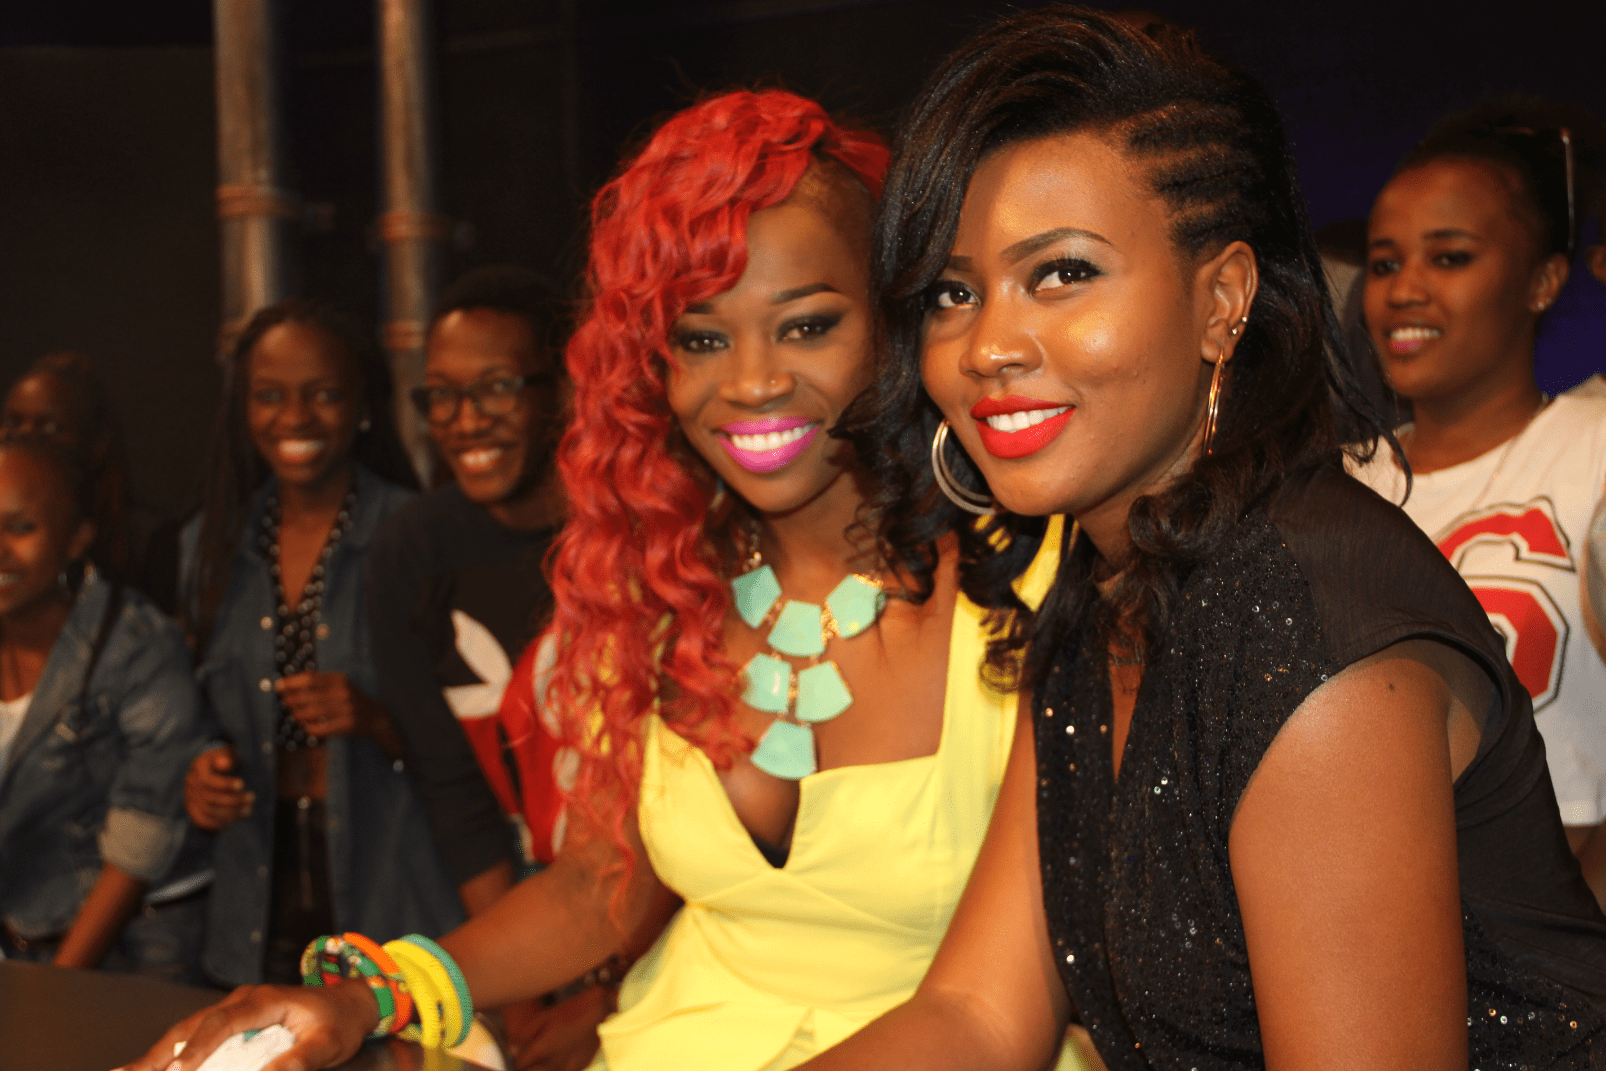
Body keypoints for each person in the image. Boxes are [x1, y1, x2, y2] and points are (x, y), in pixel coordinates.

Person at [124, 88, 1085, 1071]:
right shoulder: (663, 591)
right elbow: (597, 886)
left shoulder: (1042, 588)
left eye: (805, 327)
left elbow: (994, 1004)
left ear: (897, 319)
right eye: (701, 339)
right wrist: (375, 996)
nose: (749, 382)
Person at [782, 8, 1598, 1069]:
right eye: (951, 292)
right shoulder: (1106, 579)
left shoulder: (1312, 643)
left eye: (1062, 273)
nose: (987, 346)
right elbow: (977, 1015)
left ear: (1222, 300)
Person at [1348, 96, 1606, 906]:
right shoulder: (1332, 486)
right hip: (1369, 955)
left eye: (1449, 258)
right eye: (1385, 263)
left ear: (1542, 280)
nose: (1405, 290)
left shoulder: (1592, 453)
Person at [178, 298, 460, 987]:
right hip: (256, 891)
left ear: (363, 404)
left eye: (324, 395)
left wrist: (377, 718)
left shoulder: (419, 534)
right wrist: (199, 768)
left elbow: (483, 739)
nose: (295, 418)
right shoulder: (209, 546)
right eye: (270, 396)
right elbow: (192, 711)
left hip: (390, 882)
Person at [0, 437, 206, 980]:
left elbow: (140, 842)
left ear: (77, 539)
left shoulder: (137, 645)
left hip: (135, 953)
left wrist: (54, 987)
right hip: (24, 948)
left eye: (20, 528)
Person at [1, 351, 163, 590]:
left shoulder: (148, 543)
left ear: (98, 444)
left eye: (51, 427)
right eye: (14, 422)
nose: (25, 436)